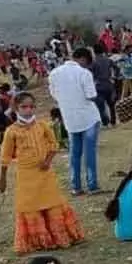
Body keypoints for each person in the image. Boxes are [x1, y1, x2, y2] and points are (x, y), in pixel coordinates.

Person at [0, 93, 85, 254]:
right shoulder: (11, 131)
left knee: (52, 203)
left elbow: (53, 144)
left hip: (45, 173)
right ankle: (37, 241)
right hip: (26, 175)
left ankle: (60, 237)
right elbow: (5, 156)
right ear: (16, 109)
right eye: (24, 107)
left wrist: (48, 161)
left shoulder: (42, 126)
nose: (28, 110)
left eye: (31, 106)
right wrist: (2, 179)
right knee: (30, 206)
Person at [48, 47, 101, 195]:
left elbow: (54, 95)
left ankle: (76, 186)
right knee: (89, 152)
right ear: (83, 59)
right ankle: (92, 185)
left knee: (74, 154)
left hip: (70, 118)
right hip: (88, 117)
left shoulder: (54, 74)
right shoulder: (84, 73)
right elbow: (91, 95)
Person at [90, 43, 117, 127]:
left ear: (94, 52)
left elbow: (89, 72)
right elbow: (116, 68)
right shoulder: (108, 60)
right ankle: (113, 121)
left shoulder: (93, 62)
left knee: (100, 106)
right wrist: (114, 77)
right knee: (111, 104)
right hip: (109, 83)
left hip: (98, 85)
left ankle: (105, 121)